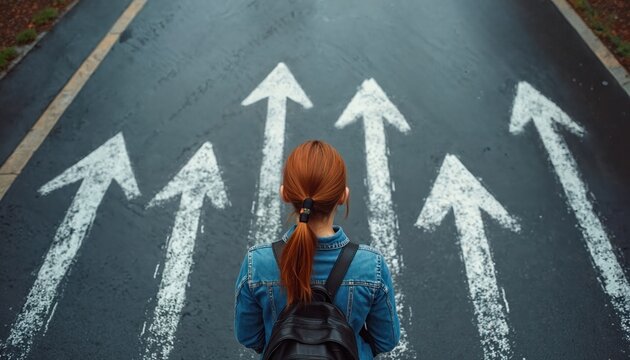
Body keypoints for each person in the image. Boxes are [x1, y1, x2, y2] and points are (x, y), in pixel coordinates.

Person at [234, 140, 400, 359]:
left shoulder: (257, 262)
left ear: (284, 194)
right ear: (343, 196)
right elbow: (386, 340)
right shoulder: (371, 265)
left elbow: (249, 337)